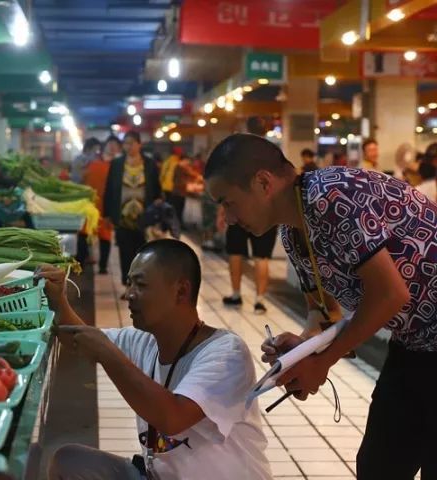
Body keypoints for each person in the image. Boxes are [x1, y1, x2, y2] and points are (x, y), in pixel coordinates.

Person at [204, 133, 437, 480]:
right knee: (379, 465)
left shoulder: (332, 195)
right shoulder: (294, 233)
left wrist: (323, 362)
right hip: (415, 345)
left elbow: (390, 295)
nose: (229, 218)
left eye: (228, 202)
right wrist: (303, 349)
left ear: (263, 182)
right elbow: (323, 312)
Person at [39, 239, 271, 480]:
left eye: (140, 284)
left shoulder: (226, 353)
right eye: (129, 283)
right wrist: (59, 301)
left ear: (181, 291)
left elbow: (173, 418)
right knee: (69, 462)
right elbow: (81, 341)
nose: (128, 294)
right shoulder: (144, 340)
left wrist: (107, 354)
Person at [103, 131, 161, 296]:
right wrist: (107, 214)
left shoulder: (149, 164)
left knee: (143, 253)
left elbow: (157, 189)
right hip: (122, 216)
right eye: (126, 143)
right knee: (125, 251)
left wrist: (157, 207)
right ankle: (128, 286)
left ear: (139, 144)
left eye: (131, 143)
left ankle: (142, 285)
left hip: (144, 217)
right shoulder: (117, 164)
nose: (128, 146)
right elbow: (109, 190)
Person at [76, 136, 119, 273]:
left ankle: (103, 267)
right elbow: (80, 180)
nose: (112, 147)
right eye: (110, 144)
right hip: (90, 205)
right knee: (84, 234)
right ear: (104, 146)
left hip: (107, 206)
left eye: (115, 145)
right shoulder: (91, 162)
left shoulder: (118, 165)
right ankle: (80, 263)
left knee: (105, 236)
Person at [222, 223, 277, 315]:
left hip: (239, 214)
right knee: (261, 257)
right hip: (265, 216)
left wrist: (221, 213)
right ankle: (259, 302)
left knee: (235, 253)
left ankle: (236, 296)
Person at [160, 146, 182, 211]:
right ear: (178, 154)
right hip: (174, 188)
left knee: (166, 205)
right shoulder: (178, 163)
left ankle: (165, 218)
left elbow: (162, 174)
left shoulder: (166, 162)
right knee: (174, 207)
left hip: (165, 187)